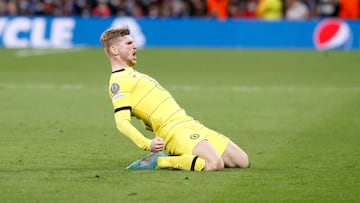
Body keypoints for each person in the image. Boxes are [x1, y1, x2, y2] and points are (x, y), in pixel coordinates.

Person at [100, 27, 250, 171]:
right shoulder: (118, 81)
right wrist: (147, 144)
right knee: (214, 164)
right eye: (129, 43)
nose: (135, 46)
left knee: (242, 161)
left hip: (189, 123)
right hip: (173, 131)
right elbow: (121, 122)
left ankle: (181, 155)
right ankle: (160, 161)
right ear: (114, 50)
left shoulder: (133, 74)